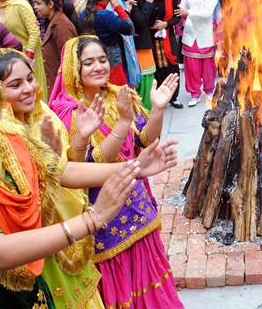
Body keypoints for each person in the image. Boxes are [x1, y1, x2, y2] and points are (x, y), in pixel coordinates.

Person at [0, 52, 178, 307]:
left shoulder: (5, 135)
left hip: (33, 290)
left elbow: (59, 171)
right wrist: (93, 218)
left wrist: (133, 168)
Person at [48, 36, 184, 309]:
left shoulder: (118, 94)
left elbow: (145, 140)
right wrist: (122, 124)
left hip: (137, 206)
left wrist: (158, 109)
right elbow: (92, 165)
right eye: (88, 62)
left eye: (102, 60)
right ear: (74, 68)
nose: (99, 67)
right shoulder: (66, 112)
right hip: (105, 217)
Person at [0, 49, 105, 308]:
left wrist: (81, 139)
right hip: (38, 242)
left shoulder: (42, 114)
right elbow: (24, 194)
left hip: (71, 227)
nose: (28, 88)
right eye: (15, 85)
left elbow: (70, 169)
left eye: (30, 78)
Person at [174, 0, 218, 106]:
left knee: (207, 66)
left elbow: (207, 12)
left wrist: (188, 12)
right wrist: (177, 9)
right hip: (191, 31)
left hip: (205, 32)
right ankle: (194, 93)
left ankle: (210, 91)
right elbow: (184, 4)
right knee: (191, 66)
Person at [81, 0, 135, 86]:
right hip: (111, 63)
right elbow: (130, 28)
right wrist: (117, 5)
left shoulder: (84, 14)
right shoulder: (105, 15)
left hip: (91, 61)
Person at [33, 0, 80, 96]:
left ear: (50, 4)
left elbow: (69, 62)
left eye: (38, 3)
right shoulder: (55, 21)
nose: (35, 7)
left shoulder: (61, 25)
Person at [147, 0, 183, 108]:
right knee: (157, 67)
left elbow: (177, 17)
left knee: (171, 67)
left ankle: (173, 97)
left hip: (167, 36)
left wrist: (165, 24)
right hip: (151, 37)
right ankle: (160, 97)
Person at [123, 0, 158, 109]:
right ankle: (145, 113)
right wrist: (149, 2)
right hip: (140, 45)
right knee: (145, 81)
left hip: (143, 43)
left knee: (149, 79)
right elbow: (141, 21)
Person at [109, 0, 142, 88]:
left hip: (123, 44)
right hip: (116, 45)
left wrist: (126, 9)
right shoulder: (110, 0)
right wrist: (126, 10)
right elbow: (118, 22)